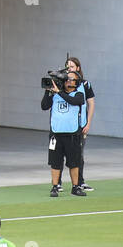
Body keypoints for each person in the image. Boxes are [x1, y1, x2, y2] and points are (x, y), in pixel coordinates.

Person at [42, 66, 86, 197]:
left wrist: (59, 92)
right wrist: (48, 91)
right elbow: (44, 106)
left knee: (74, 162)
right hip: (56, 134)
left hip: (72, 135)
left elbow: (75, 101)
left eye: (71, 79)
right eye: (67, 79)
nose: (68, 81)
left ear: (77, 82)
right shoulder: (55, 94)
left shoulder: (78, 94)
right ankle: (55, 186)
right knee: (55, 162)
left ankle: (76, 186)